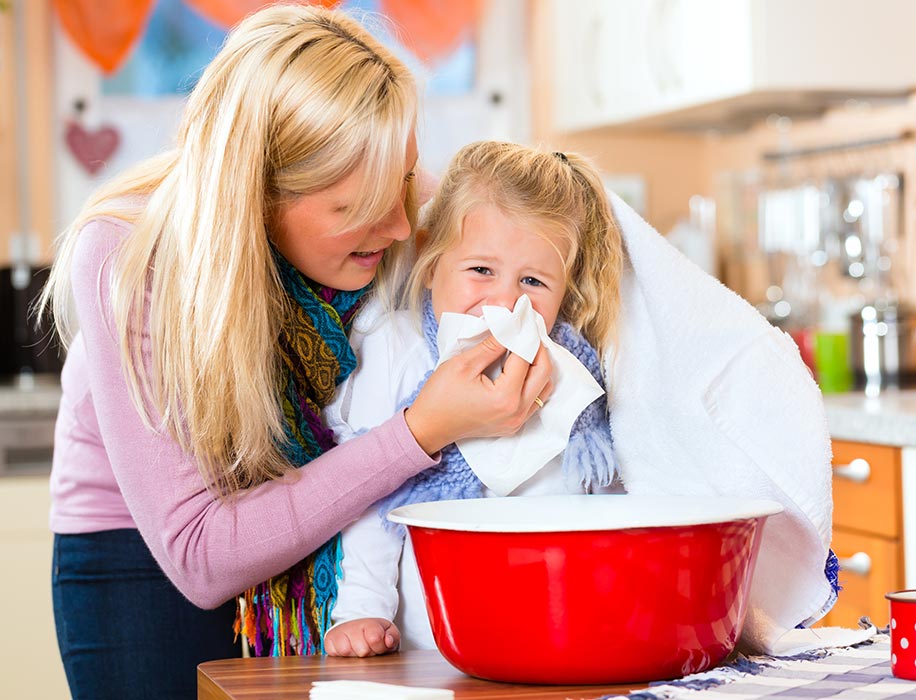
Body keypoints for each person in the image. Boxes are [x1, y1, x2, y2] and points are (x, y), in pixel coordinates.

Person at [38, 7, 552, 699]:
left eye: (402, 182)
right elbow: (199, 556)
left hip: (316, 525)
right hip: (146, 556)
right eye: (360, 207)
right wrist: (421, 429)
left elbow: (549, 217)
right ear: (258, 192)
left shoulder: (372, 187)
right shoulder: (130, 255)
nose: (403, 225)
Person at [319, 142, 625, 657]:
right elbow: (372, 496)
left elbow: (598, 492)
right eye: (481, 271)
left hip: (550, 621)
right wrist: (362, 609)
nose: (505, 301)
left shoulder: (569, 367)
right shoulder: (397, 345)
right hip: (431, 639)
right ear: (431, 262)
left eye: (533, 281)